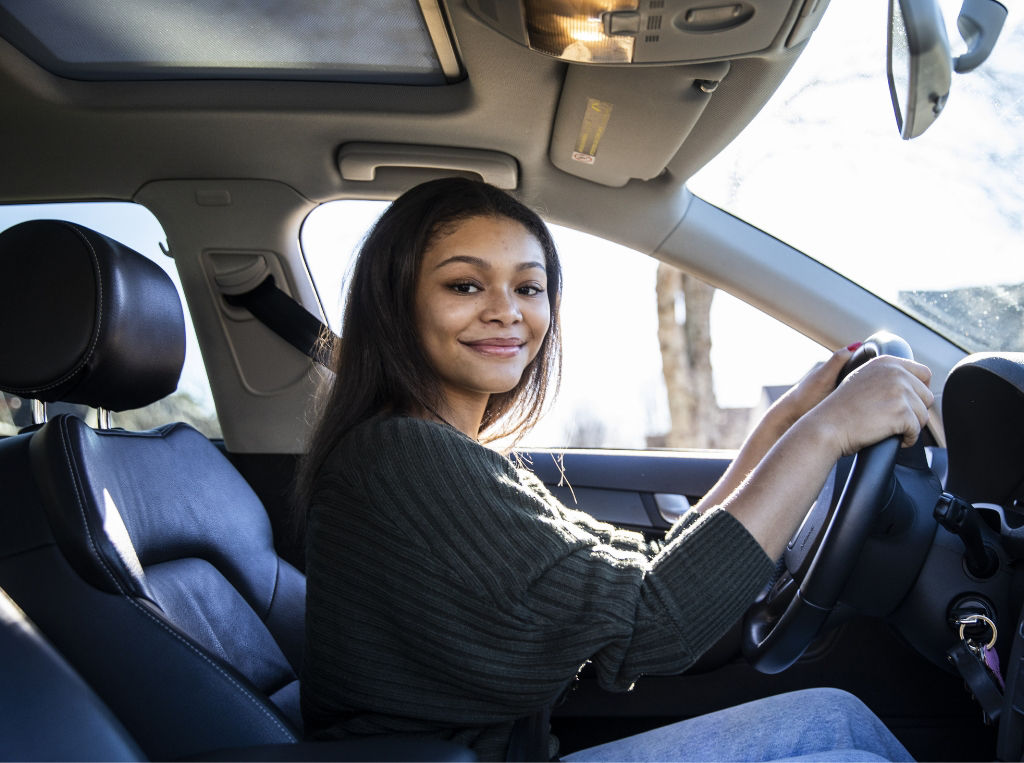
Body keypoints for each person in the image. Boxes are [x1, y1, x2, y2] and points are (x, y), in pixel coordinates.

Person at [296, 177, 933, 762]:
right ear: (394, 305)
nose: (506, 310)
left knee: (838, 721)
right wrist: (829, 431)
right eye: (465, 285)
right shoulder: (405, 459)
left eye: (528, 286)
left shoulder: (441, 451)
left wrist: (787, 421)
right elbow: (654, 622)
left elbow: (640, 577)